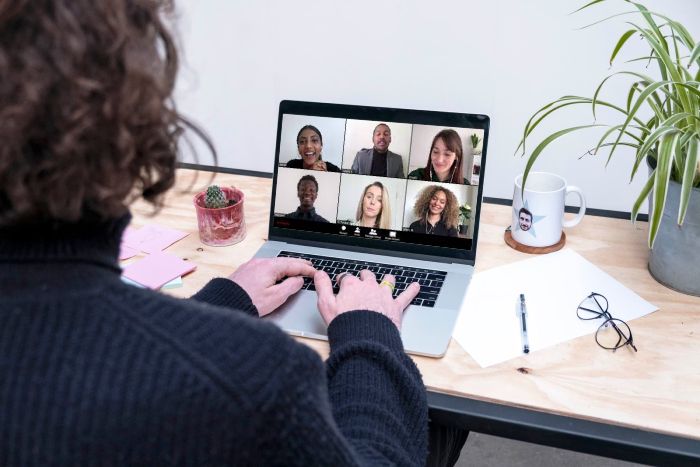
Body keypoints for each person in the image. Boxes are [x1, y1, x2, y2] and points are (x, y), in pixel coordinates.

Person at [0, 1, 442, 465]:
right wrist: (369, 331)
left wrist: (222, 302)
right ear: (130, 121)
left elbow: (99, 354)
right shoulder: (258, 377)